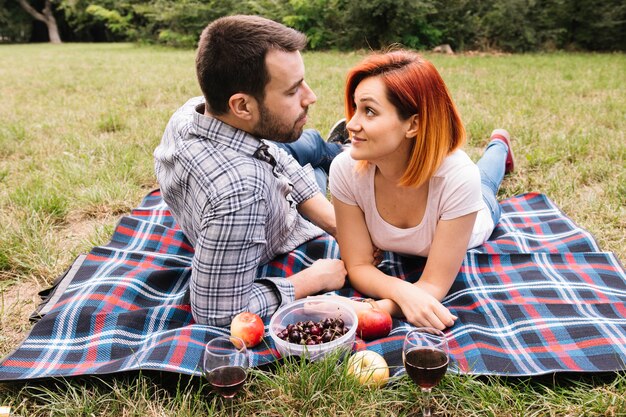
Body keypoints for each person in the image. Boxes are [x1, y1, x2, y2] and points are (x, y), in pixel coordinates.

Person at [154, 15, 350, 326]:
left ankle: (335, 148)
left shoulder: (192, 111)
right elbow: (217, 313)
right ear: (242, 106)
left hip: (268, 179)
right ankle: (340, 152)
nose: (311, 96)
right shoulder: (241, 194)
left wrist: (338, 225)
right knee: (318, 169)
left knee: (305, 144)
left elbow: (274, 157)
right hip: (277, 217)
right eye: (293, 90)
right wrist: (313, 279)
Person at [329, 50, 515, 331]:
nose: (352, 125)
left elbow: (434, 285)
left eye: (369, 111)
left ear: (413, 124)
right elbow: (357, 267)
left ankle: (500, 145)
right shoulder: (345, 169)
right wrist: (403, 291)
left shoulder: (459, 178)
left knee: (486, 180)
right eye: (356, 108)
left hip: (477, 214)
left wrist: (377, 309)